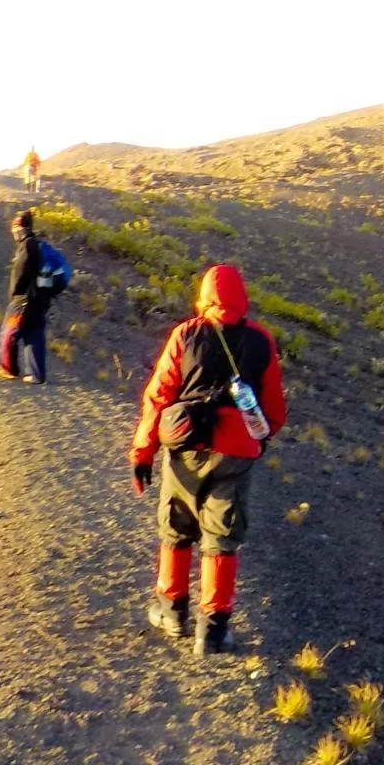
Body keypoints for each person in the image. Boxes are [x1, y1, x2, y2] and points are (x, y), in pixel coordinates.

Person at [128, 264, 287, 656]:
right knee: (222, 535)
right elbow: (274, 408)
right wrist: (259, 440)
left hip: (186, 444)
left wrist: (142, 452)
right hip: (235, 450)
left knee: (177, 524)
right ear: (241, 297)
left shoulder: (186, 334)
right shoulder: (260, 340)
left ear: (205, 296)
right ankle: (212, 631)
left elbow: (159, 395)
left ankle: (171, 611)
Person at [0, 210, 52, 384]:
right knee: (34, 334)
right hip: (40, 300)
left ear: (20, 228)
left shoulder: (26, 246)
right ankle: (36, 374)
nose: (13, 232)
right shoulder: (40, 245)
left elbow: (20, 273)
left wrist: (14, 296)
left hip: (23, 300)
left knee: (8, 332)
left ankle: (8, 367)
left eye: (15, 227)